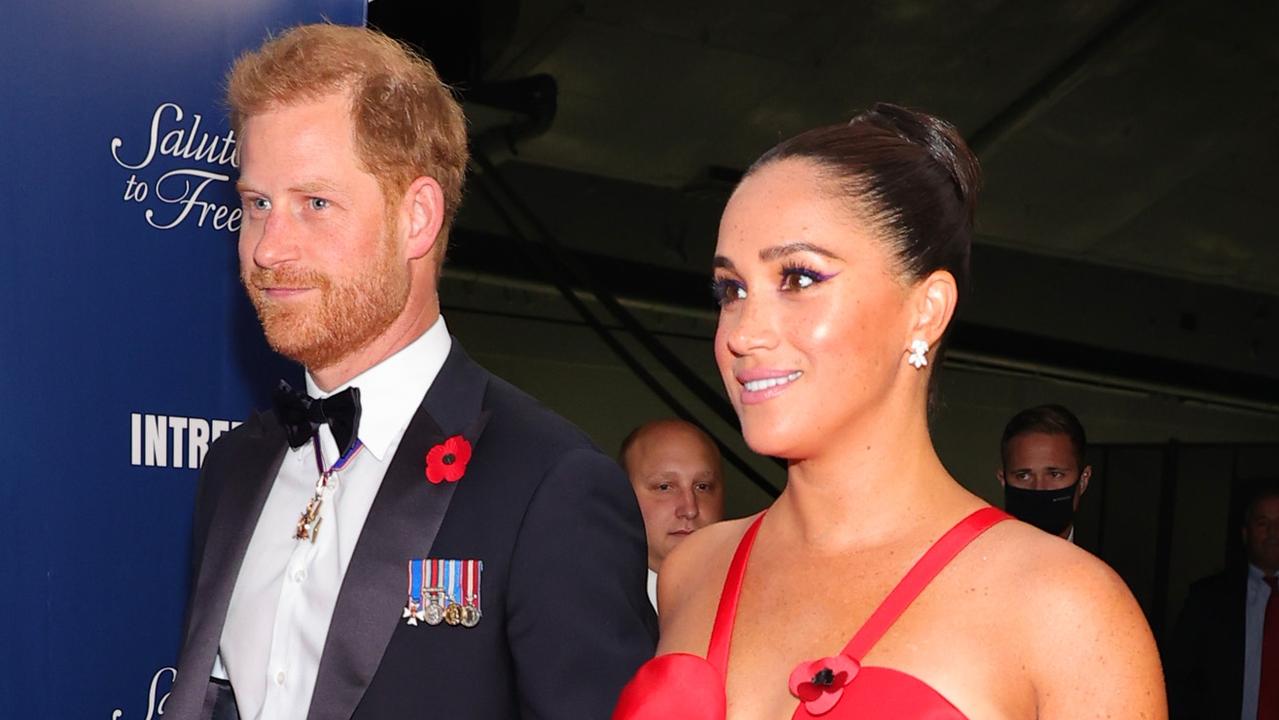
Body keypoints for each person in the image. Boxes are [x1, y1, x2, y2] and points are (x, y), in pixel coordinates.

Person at [166, 24, 655, 720]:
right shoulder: (234, 468)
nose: (268, 249)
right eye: (256, 205)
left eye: (316, 204)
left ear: (417, 218)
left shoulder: (550, 485)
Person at [614, 103, 1165, 719]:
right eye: (731, 290)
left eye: (798, 278)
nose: (743, 333)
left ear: (926, 310)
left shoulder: (1066, 611)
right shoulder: (693, 572)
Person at [1167, 482, 1279, 720]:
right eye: (1263, 523)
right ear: (1246, 533)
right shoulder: (1208, 599)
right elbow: (1181, 679)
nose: (1273, 532)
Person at [621, 419, 727, 609]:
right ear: (623, 495)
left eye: (702, 487)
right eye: (665, 487)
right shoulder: (588, 606)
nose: (690, 509)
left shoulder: (759, 600)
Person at [996, 404, 1093, 540]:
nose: (1039, 488)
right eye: (1023, 476)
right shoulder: (976, 556)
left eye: (1055, 475)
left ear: (1083, 480)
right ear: (1003, 480)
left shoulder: (1109, 558)